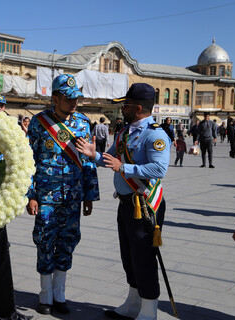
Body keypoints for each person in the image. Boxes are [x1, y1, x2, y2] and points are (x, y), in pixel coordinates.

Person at [76, 83, 170, 320]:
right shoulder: (124, 132)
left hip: (145, 204)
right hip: (126, 203)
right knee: (128, 256)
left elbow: (159, 168)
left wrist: (124, 167)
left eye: (125, 105)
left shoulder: (155, 133)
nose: (122, 110)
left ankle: (149, 310)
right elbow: (111, 158)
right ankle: (133, 302)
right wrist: (93, 155)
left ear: (138, 107)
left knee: (144, 257)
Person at [26, 74, 99, 315]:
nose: (74, 103)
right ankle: (45, 294)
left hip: (72, 196)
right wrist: (31, 194)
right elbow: (28, 161)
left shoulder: (82, 123)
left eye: (77, 98)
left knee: (68, 241)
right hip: (46, 196)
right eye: (69, 99)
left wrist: (89, 194)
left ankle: (60, 293)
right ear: (55, 98)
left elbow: (88, 161)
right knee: (45, 240)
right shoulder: (39, 123)